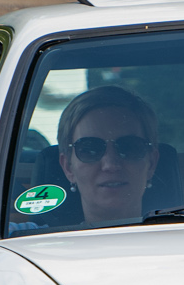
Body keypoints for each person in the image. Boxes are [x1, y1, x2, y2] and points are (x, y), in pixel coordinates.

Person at [56, 84, 159, 225]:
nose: (110, 165)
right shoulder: (31, 235)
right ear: (68, 167)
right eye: (90, 150)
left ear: (151, 163)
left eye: (129, 147)